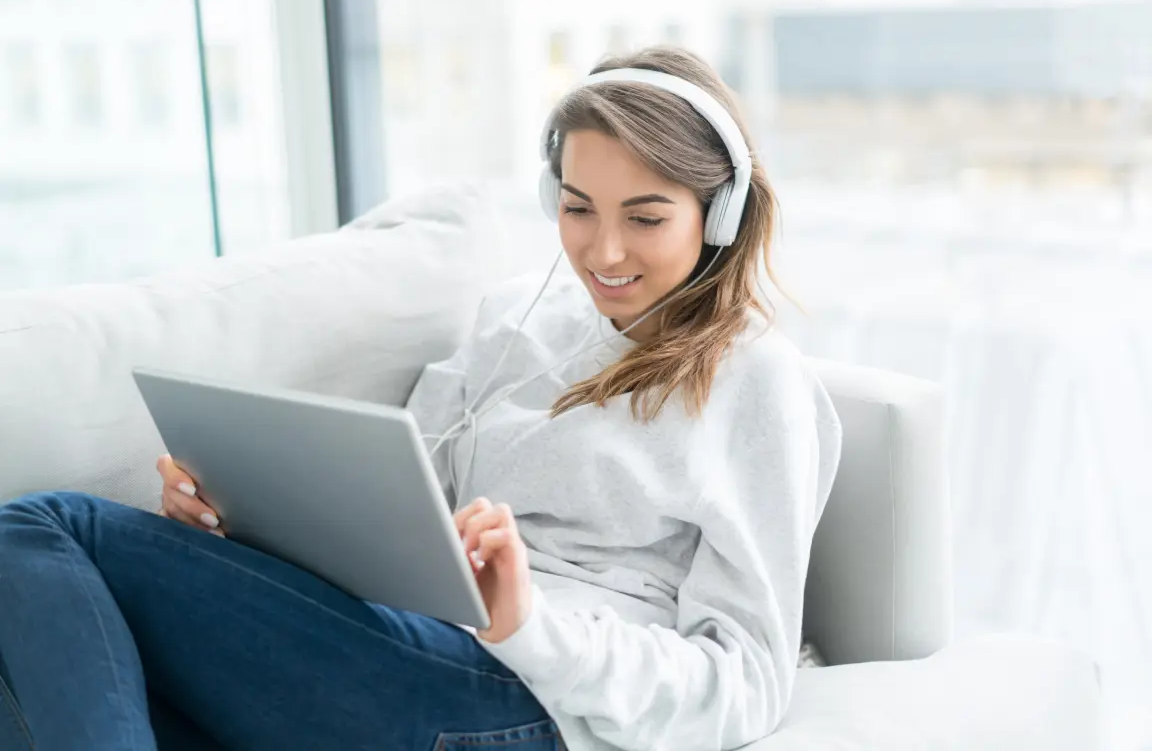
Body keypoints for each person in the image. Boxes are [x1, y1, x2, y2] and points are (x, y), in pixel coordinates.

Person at [0, 46, 841, 751]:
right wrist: (239, 526)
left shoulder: (755, 380)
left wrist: (529, 626)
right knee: (78, 646)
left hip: (520, 698)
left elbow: (747, 680)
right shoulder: (516, 319)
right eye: (579, 209)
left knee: (41, 529)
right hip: (406, 647)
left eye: (647, 217)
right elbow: (399, 514)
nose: (604, 249)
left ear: (719, 212)